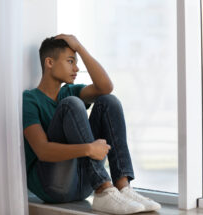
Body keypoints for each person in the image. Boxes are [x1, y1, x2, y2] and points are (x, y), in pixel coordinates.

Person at [22, 34, 161, 214]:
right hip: (52, 186)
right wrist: (88, 149)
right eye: (71, 61)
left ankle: (122, 187)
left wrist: (79, 47)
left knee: (108, 101)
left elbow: (105, 87)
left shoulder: (70, 91)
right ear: (49, 63)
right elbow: (42, 150)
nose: (77, 68)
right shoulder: (30, 100)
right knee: (72, 104)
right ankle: (103, 188)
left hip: (82, 183)